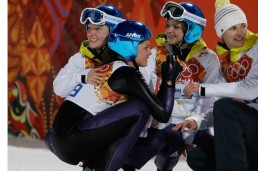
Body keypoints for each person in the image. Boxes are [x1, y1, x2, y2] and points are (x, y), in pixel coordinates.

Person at [45, 5, 182, 171]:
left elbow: (153, 115)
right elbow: (159, 111)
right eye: (146, 48)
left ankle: (100, 163)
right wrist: (169, 80)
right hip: (76, 136)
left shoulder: (124, 64)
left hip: (82, 133)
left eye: (98, 28)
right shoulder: (89, 60)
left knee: (153, 134)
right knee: (140, 109)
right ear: (130, 45)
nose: (91, 34)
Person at [179, 0, 258, 170]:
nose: (240, 32)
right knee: (197, 159)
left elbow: (251, 89)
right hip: (252, 132)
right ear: (222, 32)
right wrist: (197, 120)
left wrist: (203, 88)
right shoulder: (225, 65)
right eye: (232, 28)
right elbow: (216, 108)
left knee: (226, 107)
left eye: (242, 25)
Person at [122, 2, 219, 171]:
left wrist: (189, 138)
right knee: (170, 149)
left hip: (196, 122)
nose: (169, 30)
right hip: (167, 122)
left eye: (176, 26)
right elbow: (147, 90)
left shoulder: (208, 58)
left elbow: (209, 102)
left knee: (216, 148)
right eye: (168, 25)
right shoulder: (156, 54)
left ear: (191, 29)